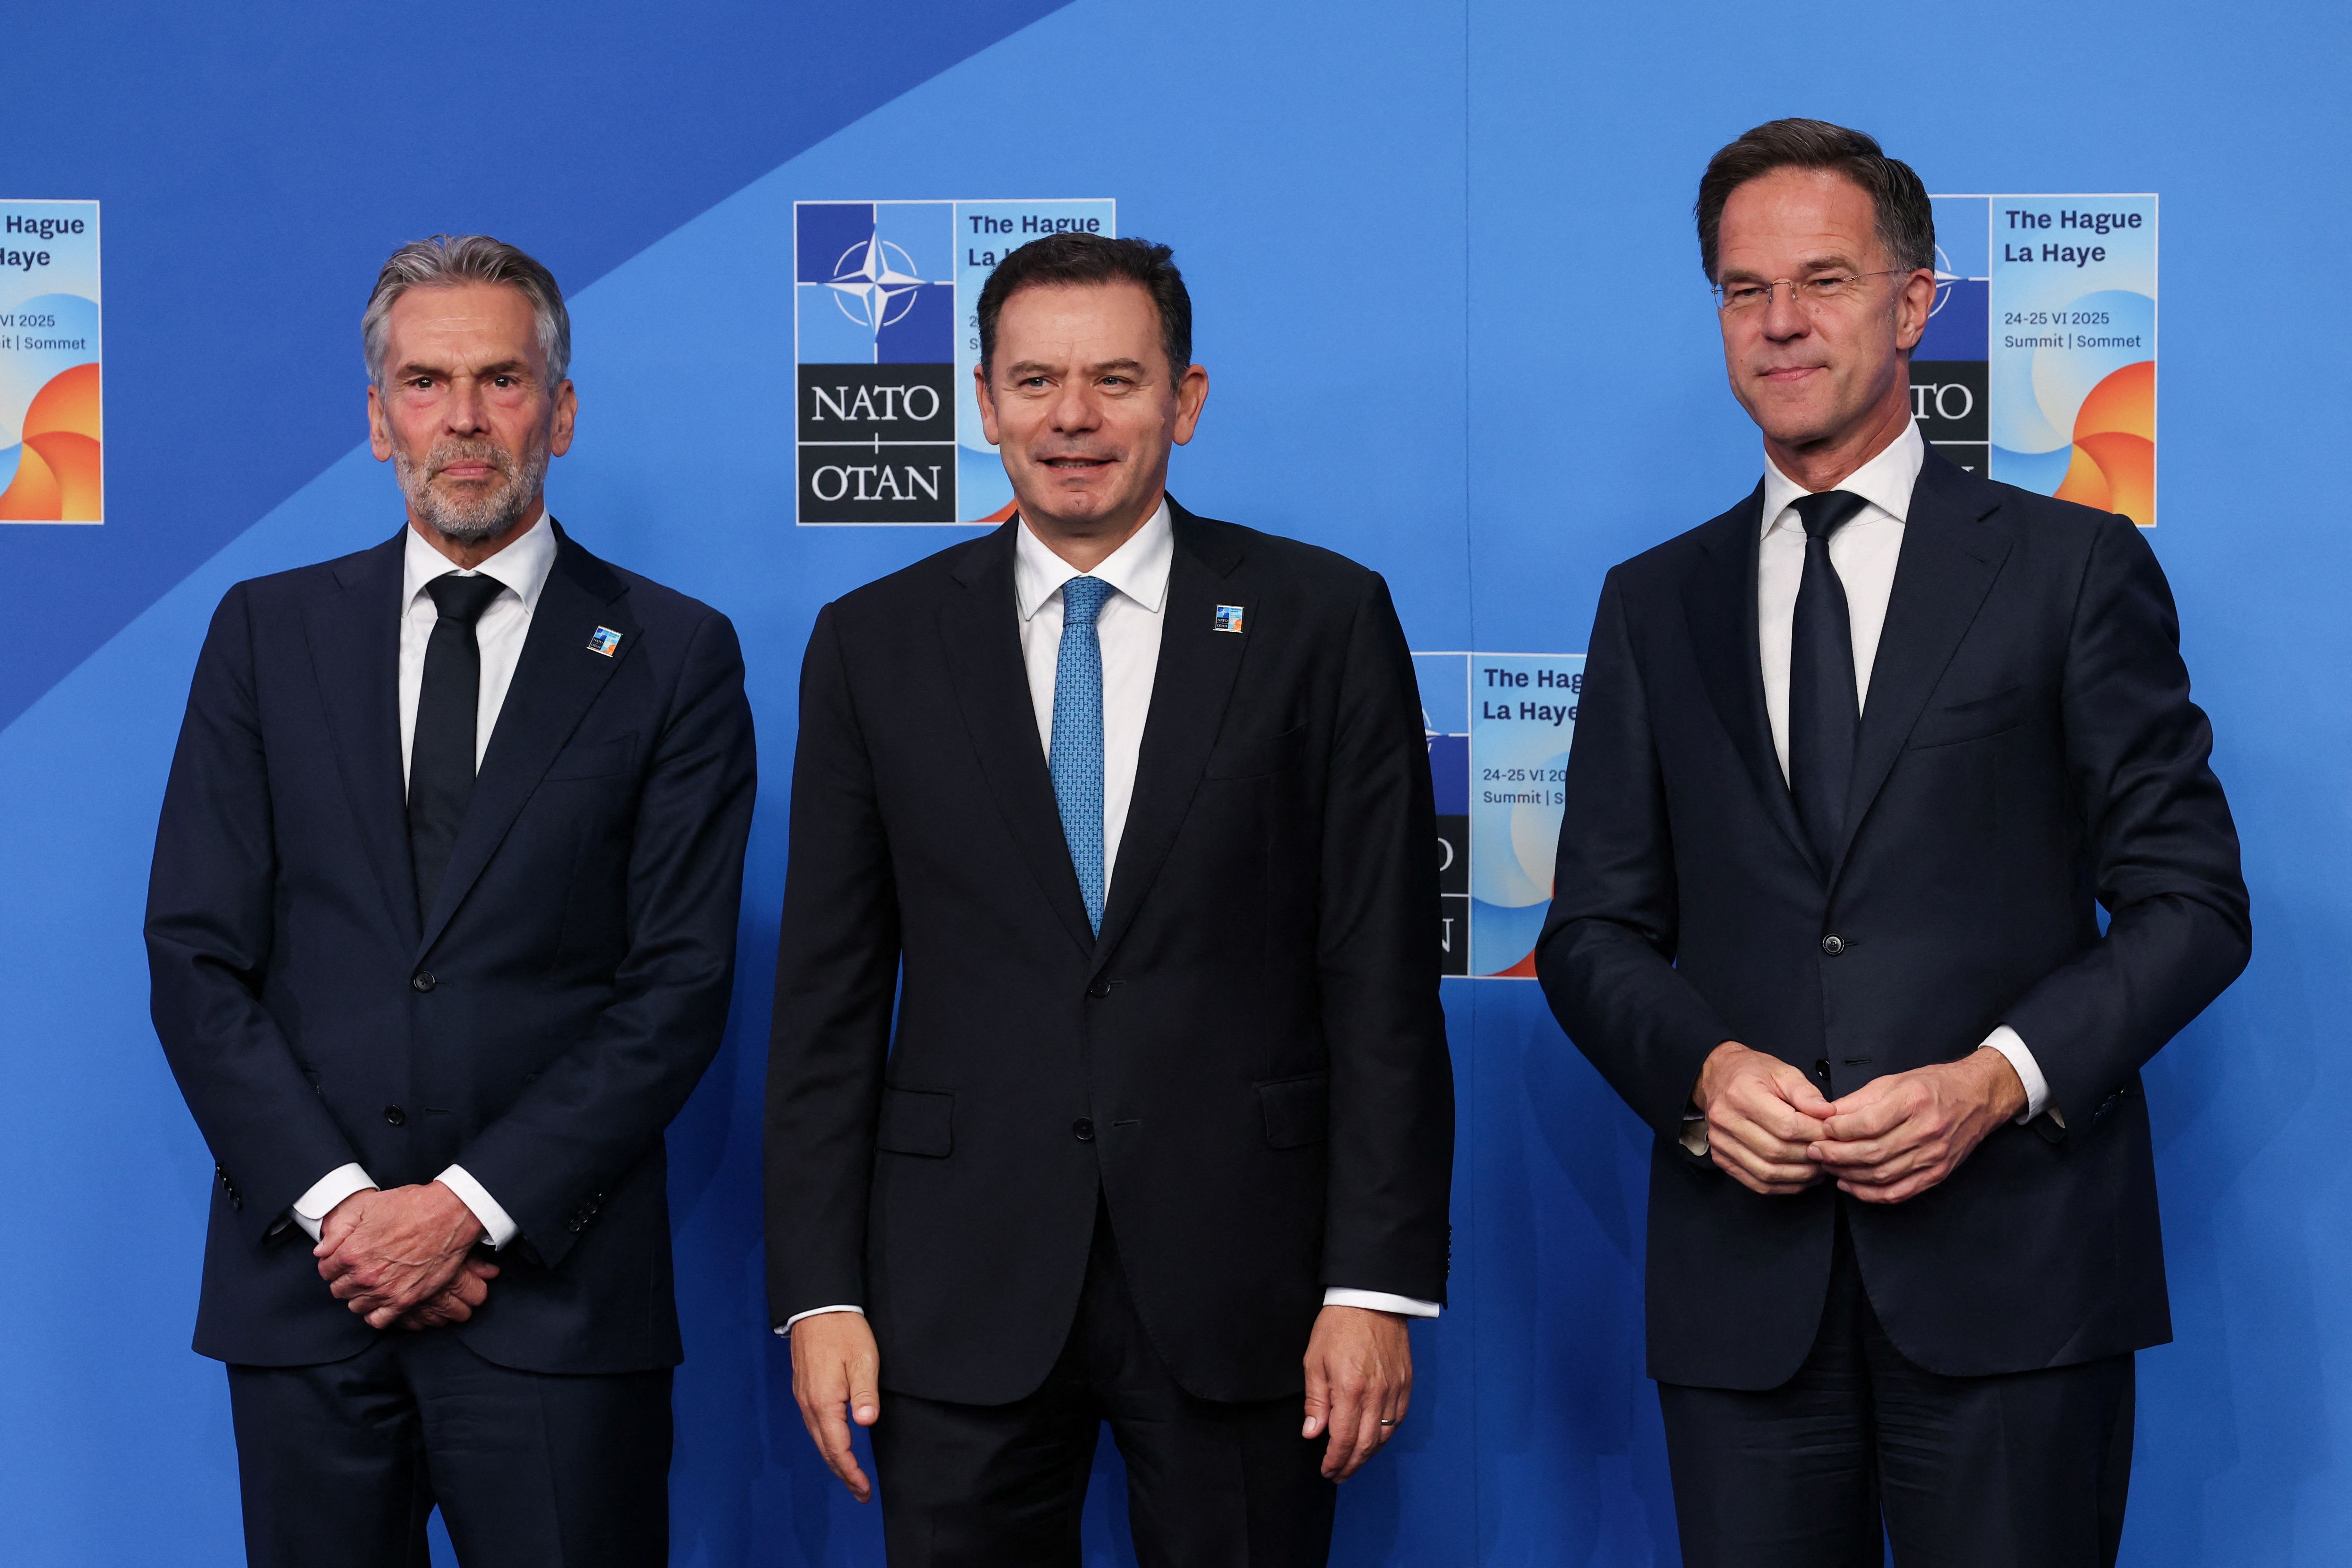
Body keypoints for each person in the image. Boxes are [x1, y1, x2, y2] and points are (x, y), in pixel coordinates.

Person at [1537, 120, 2249, 1566]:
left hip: (2016, 1275)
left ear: (1916, 303)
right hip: (1745, 1297)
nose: (1780, 322)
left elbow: (2191, 905)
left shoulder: (2070, 568)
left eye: (1824, 280)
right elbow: (1593, 931)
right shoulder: (1652, 603)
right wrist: (1703, 1076)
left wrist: (1996, 1081)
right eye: (1745, 290)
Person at [764, 232, 1455, 1567]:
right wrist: (819, 1293)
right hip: (955, 1289)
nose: (1072, 417)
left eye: (1116, 380)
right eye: (1035, 381)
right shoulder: (872, 643)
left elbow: (1380, 981)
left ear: (1185, 402)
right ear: (984, 404)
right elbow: (826, 1003)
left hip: (1247, 1283)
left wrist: (1373, 1283)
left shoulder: (1322, 620)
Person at [146, 234, 757, 1566]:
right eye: (426, 383)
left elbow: (678, 985)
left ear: (561, 412)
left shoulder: (674, 655)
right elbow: (195, 956)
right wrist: (346, 1213)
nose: (464, 420)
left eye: (502, 380)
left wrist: (462, 1212)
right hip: (309, 1296)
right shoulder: (265, 633)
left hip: (554, 1305)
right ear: (380, 421)